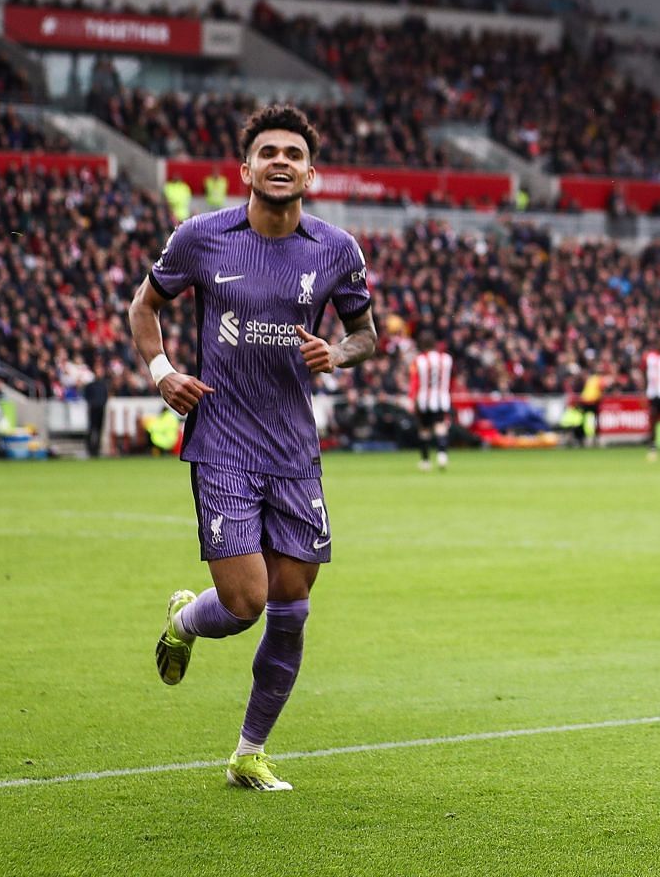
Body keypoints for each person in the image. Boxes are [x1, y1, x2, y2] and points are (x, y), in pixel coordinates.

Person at [129, 103, 377, 791]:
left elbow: (368, 334)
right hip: (224, 445)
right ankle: (185, 618)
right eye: (267, 152)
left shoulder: (336, 249)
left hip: (296, 453)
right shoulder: (201, 239)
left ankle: (248, 752)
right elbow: (142, 306)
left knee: (291, 610)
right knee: (244, 605)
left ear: (310, 173)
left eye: (292, 154)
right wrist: (163, 372)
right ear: (245, 169)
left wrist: (341, 352)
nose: (280, 162)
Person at [408, 332, 453, 471]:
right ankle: (442, 454)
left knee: (424, 429)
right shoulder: (446, 359)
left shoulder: (419, 360)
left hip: (424, 399)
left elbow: (415, 382)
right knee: (440, 426)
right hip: (442, 398)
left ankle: (426, 461)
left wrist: (412, 399)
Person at [82, 364, 110, 458]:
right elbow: (86, 395)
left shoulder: (103, 385)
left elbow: (105, 396)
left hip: (101, 409)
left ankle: (96, 449)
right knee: (91, 428)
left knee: (99, 429)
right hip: (93, 409)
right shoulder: (91, 385)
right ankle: (89, 448)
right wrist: (92, 403)